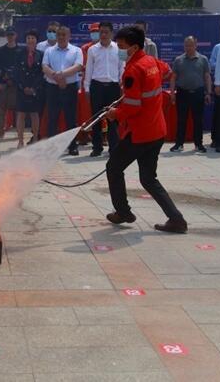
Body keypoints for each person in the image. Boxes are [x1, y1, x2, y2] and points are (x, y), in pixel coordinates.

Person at [104, 25, 186, 233]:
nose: (119, 50)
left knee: (113, 168)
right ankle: (176, 219)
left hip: (139, 133)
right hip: (156, 131)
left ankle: (123, 212)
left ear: (133, 47)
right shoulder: (151, 62)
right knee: (148, 178)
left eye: (121, 46)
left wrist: (115, 113)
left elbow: (133, 107)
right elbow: (167, 72)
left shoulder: (132, 71)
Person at [42, 25, 83, 156]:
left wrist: (62, 75)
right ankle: (51, 148)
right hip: (52, 88)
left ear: (69, 36)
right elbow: (44, 67)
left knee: (71, 118)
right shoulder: (49, 51)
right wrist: (57, 77)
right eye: (59, 34)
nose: (61, 37)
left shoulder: (76, 50)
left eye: (63, 34)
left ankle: (72, 146)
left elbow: (78, 66)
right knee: (52, 118)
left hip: (70, 88)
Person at [84, 21, 123, 157]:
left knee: (113, 119)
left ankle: (114, 147)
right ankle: (97, 147)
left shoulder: (119, 48)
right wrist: (87, 88)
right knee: (96, 119)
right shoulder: (92, 50)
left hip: (113, 87)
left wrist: (122, 84)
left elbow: (122, 67)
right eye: (101, 32)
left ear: (112, 33)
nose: (104, 35)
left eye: (106, 32)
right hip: (97, 86)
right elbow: (88, 69)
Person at [169, 36, 211, 153]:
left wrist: (208, 92)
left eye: (191, 45)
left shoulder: (203, 59)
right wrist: (172, 93)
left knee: (198, 120)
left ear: (195, 45)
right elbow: (173, 77)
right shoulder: (178, 60)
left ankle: (199, 144)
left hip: (198, 93)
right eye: (186, 45)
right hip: (182, 93)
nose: (188, 47)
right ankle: (179, 144)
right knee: (181, 120)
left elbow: (207, 76)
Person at [14, 30, 45, 147]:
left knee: (34, 114)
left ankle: (35, 138)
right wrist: (23, 87)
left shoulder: (41, 54)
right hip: (22, 88)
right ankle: (20, 141)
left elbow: (42, 73)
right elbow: (16, 72)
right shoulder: (19, 53)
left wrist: (34, 88)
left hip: (35, 89)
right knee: (21, 114)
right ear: (25, 40)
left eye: (33, 38)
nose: (30, 40)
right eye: (28, 38)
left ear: (36, 41)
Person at [0, 27, 20, 139]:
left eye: (12, 34)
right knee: (1, 108)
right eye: (8, 35)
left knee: (19, 109)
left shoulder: (20, 50)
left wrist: (13, 77)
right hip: (3, 80)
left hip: (17, 82)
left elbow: (20, 66)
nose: (10, 37)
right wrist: (7, 76)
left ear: (15, 35)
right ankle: (0, 132)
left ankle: (19, 133)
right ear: (6, 36)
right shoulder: (1, 50)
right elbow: (1, 66)